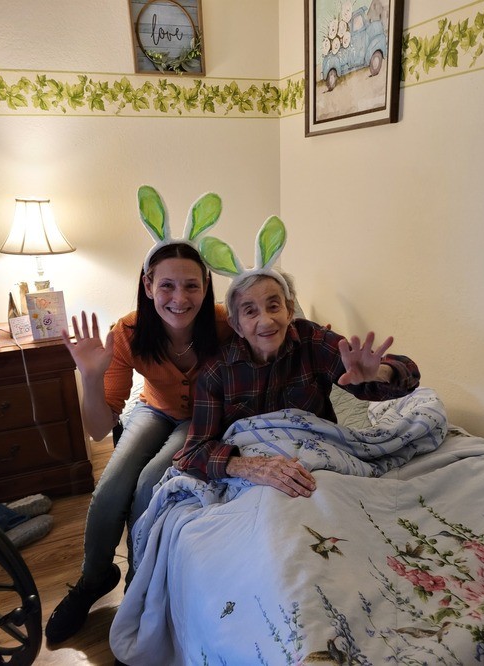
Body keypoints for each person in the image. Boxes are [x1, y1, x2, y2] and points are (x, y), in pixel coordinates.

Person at [45, 188, 231, 644]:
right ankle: (94, 579)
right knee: (111, 487)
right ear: (148, 286)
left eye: (191, 286)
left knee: (149, 484)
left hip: (201, 418)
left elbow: (278, 331)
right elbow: (98, 430)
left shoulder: (226, 325)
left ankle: (137, 584)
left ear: (206, 287)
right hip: (153, 408)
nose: (179, 298)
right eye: (166, 285)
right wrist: (91, 378)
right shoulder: (127, 331)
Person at [173, 231, 420, 497]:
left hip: (320, 463)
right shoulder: (217, 371)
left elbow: (408, 375)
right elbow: (193, 452)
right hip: (253, 474)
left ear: (289, 310)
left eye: (274, 306)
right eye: (250, 311)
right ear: (236, 325)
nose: (266, 321)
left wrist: (379, 372)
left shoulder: (313, 341)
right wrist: (248, 466)